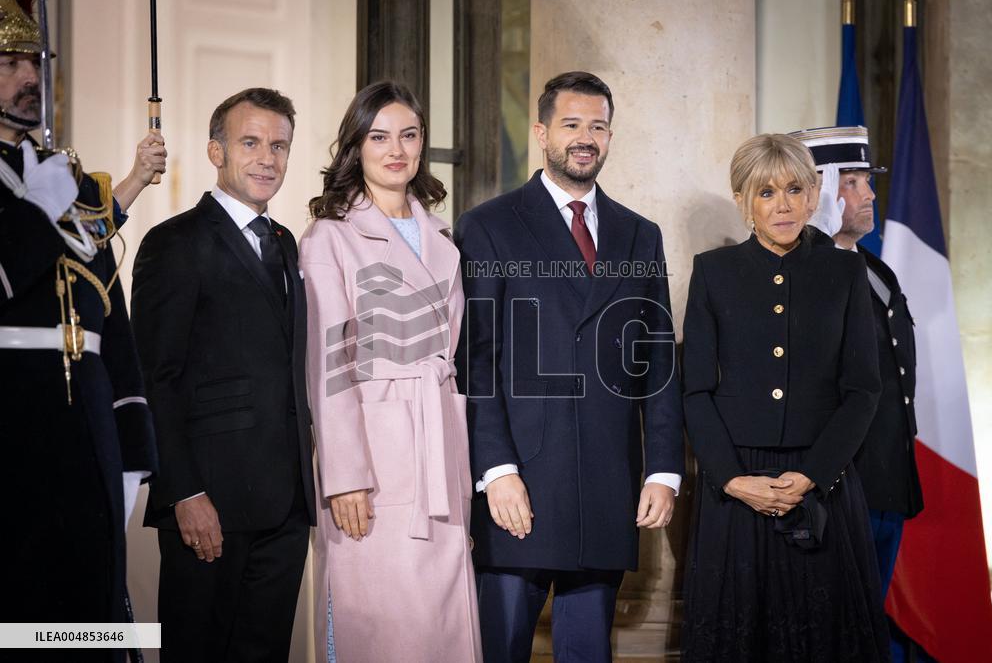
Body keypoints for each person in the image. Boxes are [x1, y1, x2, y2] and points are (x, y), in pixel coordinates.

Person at [455, 71, 685, 662]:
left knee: (589, 654)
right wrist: (496, 468)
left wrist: (663, 468)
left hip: (607, 482)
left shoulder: (641, 235)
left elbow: (657, 359)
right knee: (500, 650)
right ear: (541, 132)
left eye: (598, 126)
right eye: (572, 124)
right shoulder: (488, 224)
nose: (586, 138)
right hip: (518, 484)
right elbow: (475, 359)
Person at [681, 133, 889, 661]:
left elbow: (863, 389)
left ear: (814, 194)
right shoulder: (714, 273)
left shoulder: (845, 273)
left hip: (822, 485)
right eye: (767, 192)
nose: (784, 205)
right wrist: (730, 479)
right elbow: (695, 389)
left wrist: (814, 475)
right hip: (738, 489)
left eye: (795, 189)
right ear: (744, 199)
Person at [0, 0, 162, 648]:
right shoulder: (48, 189)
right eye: (9, 63)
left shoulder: (63, 175)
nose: (28, 75)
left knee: (85, 616)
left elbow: (104, 304)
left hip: (87, 416)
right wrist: (38, 213)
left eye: (33, 61)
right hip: (13, 415)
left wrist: (133, 440)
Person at [131, 88, 315, 662]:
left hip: (285, 506)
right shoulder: (173, 242)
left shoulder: (286, 244)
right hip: (208, 500)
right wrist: (183, 491)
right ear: (216, 151)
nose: (268, 158)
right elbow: (156, 377)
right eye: (251, 142)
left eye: (280, 146)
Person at [301, 81, 481, 663]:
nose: (396, 149)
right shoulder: (330, 236)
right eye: (379, 136)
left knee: (440, 624)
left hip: (439, 443)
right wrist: (344, 476)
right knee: (379, 627)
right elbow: (328, 364)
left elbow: (449, 358)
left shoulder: (443, 242)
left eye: (408, 135)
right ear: (357, 145)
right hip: (375, 462)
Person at [790, 126, 922, 600]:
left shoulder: (875, 268)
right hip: (840, 482)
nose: (869, 195)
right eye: (851, 181)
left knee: (868, 620)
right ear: (819, 189)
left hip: (887, 477)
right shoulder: (801, 273)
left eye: (868, 181)